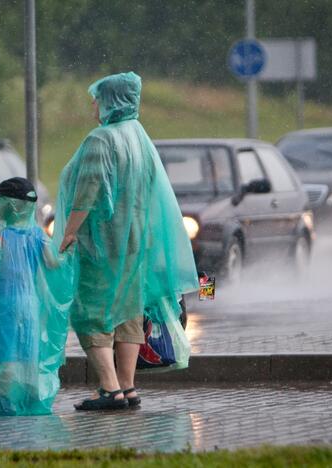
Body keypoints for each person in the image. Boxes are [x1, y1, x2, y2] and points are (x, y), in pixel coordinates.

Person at [54, 72, 198, 410]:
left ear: (111, 101)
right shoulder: (138, 137)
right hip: (135, 245)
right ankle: (128, 387)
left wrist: (70, 230)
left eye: (98, 98)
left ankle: (109, 388)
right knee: (128, 314)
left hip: (101, 245)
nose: (94, 105)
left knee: (92, 314)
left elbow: (88, 191)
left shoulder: (100, 140)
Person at [0, 177, 72, 416]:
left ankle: (5, 401)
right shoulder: (38, 236)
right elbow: (53, 263)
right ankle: (29, 400)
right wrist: (69, 251)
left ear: (8, 206)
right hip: (29, 305)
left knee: (3, 355)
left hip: (4, 304)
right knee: (27, 354)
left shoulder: (0, 237)